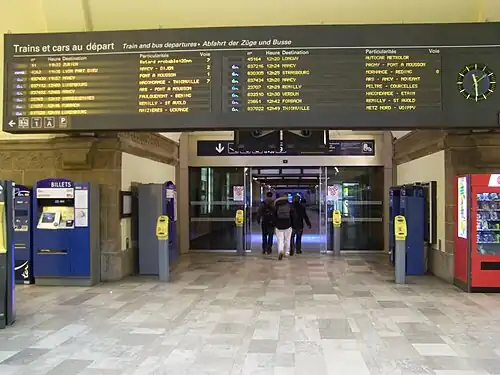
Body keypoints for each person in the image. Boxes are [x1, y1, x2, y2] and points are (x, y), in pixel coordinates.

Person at [274, 193, 293, 260]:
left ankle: (280, 251)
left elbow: (274, 216)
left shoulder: (276, 206)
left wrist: (275, 223)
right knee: (287, 239)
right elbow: (292, 216)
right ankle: (286, 252)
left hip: (279, 224)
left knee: (280, 240)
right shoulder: (289, 206)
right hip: (288, 224)